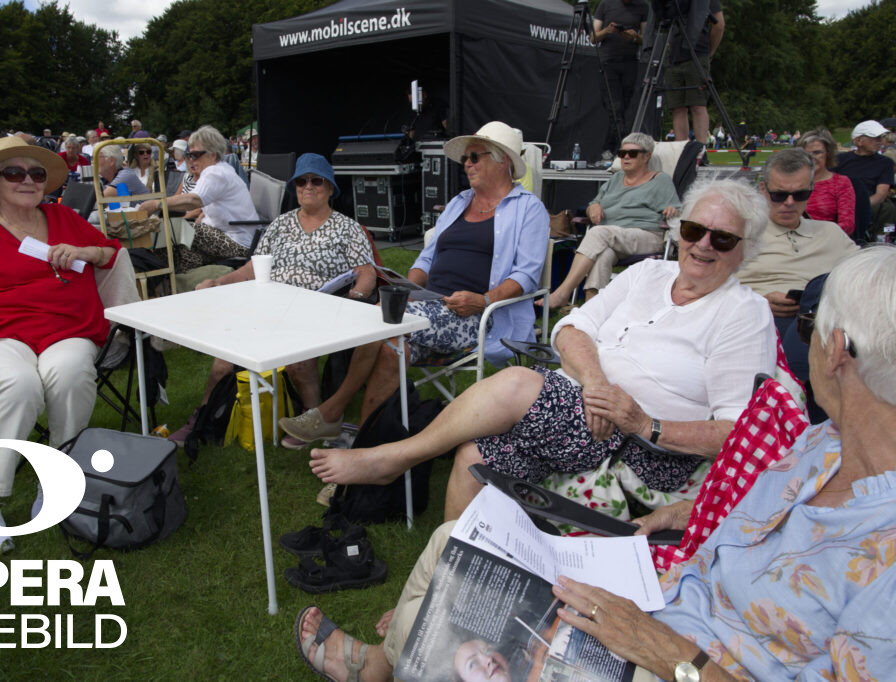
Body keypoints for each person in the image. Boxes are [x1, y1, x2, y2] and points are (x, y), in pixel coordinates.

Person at [296, 244, 896, 682]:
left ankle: (384, 660)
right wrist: (681, 515)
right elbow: (573, 328)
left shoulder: (883, 555)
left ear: (837, 351)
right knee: (455, 538)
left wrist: (661, 649)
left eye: (808, 328)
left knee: (451, 607)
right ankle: (382, 665)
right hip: (657, 590)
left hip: (675, 654)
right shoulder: (820, 446)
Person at [310, 179, 774, 521]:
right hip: (581, 408)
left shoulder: (743, 315)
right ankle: (446, 577)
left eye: (722, 238)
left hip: (640, 444)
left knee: (517, 381)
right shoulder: (647, 273)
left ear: (744, 249)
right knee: (474, 457)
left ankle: (394, 458)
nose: (703, 245)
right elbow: (570, 328)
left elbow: (738, 432)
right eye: (694, 230)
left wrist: (643, 423)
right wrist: (595, 384)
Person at [278, 122, 549, 447]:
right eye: (466, 158)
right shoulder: (459, 203)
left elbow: (526, 275)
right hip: (428, 307)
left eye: (475, 157)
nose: (467, 164)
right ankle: (367, 444)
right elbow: (425, 259)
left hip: (476, 315)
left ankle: (332, 413)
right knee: (393, 346)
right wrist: (405, 288)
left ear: (503, 160)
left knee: (384, 322)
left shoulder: (528, 209)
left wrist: (483, 300)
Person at [0, 136, 120, 558]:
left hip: (68, 329)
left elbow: (110, 251)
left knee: (71, 373)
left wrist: (83, 250)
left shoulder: (63, 217)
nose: (27, 181)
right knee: (18, 384)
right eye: (13, 173)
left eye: (36, 173)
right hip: (3, 334)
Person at [167, 154, 377, 445]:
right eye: (301, 181)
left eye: (316, 181)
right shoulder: (280, 224)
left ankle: (312, 417)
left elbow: (366, 272)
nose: (308, 186)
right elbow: (253, 268)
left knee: (298, 359)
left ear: (330, 188)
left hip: (319, 309)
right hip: (269, 305)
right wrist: (218, 282)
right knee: (225, 358)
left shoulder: (348, 228)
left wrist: (355, 297)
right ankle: (202, 417)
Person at [538, 131, 679, 310]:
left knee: (599, 233)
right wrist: (593, 208)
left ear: (646, 156)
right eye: (622, 153)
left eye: (632, 153)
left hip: (647, 235)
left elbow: (677, 209)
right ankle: (592, 309)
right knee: (603, 255)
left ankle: (562, 293)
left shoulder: (660, 180)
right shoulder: (616, 179)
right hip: (614, 238)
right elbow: (594, 203)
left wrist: (672, 210)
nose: (625, 157)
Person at [734, 148, 858, 335]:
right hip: (760, 321)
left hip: (827, 319)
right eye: (779, 195)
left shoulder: (831, 233)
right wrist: (756, 300)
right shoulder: (740, 232)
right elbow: (704, 286)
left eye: (800, 194)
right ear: (763, 190)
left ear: (811, 190)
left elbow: (869, 276)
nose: (789, 202)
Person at [137, 125, 259, 273]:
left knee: (170, 231)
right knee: (181, 251)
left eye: (195, 155)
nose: (191, 160)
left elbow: (193, 200)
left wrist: (156, 204)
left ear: (212, 155)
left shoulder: (215, 172)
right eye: (189, 155)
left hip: (238, 243)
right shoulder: (222, 169)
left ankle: (161, 278)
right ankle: (178, 280)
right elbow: (205, 209)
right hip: (231, 237)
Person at [664, 0, 725, 145]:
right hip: (674, 56)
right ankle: (681, 150)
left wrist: (709, 52)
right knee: (678, 107)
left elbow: (719, 25)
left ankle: (700, 149)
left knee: (697, 104)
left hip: (697, 53)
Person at [591, 0, 649, 153]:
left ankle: (608, 149)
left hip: (630, 61)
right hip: (608, 61)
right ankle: (621, 147)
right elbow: (593, 37)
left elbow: (647, 38)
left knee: (624, 107)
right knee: (614, 105)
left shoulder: (643, 6)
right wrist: (607, 31)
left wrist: (635, 37)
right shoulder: (605, 5)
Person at [834, 119, 895, 239]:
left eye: (881, 138)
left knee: (888, 209)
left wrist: (857, 205)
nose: (880, 141)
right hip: (839, 200)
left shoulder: (886, 163)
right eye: (875, 138)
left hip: (869, 202)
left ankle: (883, 237)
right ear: (858, 140)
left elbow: (881, 195)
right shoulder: (840, 159)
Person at [795, 128, 855, 235]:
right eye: (806, 153)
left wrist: (818, 236)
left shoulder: (841, 183)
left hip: (827, 239)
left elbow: (847, 225)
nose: (811, 158)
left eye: (817, 152)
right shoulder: (789, 182)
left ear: (828, 153)